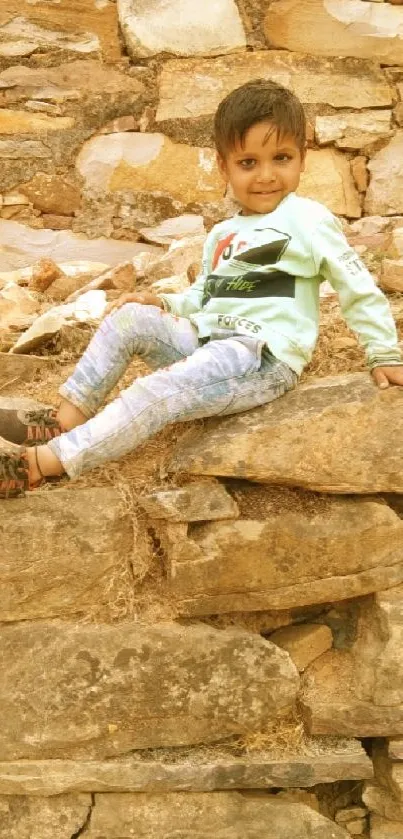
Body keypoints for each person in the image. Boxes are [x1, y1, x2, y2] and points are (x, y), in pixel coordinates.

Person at [1, 78, 403, 499]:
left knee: (155, 391)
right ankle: (65, 418)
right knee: (129, 319)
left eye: (281, 158)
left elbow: (355, 284)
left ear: (302, 159)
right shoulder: (224, 233)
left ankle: (42, 462)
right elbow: (207, 297)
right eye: (249, 162)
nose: (266, 176)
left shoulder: (307, 218)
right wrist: (163, 301)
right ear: (223, 166)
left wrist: (383, 353)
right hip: (208, 341)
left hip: (259, 357)